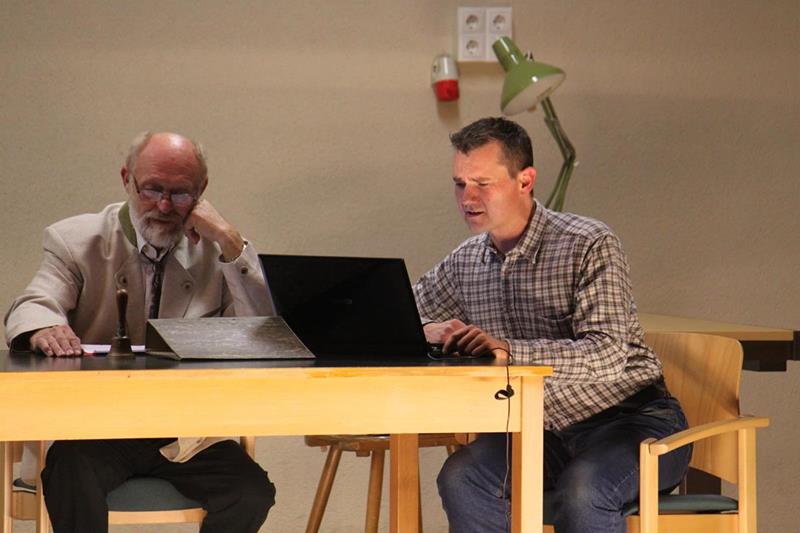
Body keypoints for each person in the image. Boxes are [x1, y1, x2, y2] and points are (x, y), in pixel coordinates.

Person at [413, 117, 691, 533]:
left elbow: (608, 354)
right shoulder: (465, 261)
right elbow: (406, 312)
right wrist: (428, 330)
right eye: (459, 184)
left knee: (583, 491)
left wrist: (510, 351)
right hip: (542, 433)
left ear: (525, 181)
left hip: (632, 422)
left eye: (482, 184)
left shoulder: (588, 242)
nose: (467, 198)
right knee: (462, 477)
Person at [4, 131, 276, 533]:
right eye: (151, 189)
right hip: (95, 431)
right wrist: (45, 326)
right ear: (126, 179)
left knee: (250, 492)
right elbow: (35, 302)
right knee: (70, 476)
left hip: (182, 434)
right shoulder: (77, 240)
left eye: (180, 194)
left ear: (201, 191)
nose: (163, 206)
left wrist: (231, 242)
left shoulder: (218, 252)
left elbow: (264, 334)